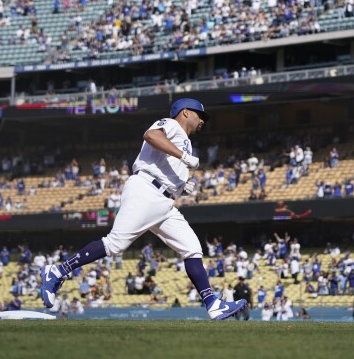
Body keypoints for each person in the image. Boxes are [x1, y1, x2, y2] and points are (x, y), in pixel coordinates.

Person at [40, 98, 246, 320]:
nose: (202, 120)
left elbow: (163, 163)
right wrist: (184, 158)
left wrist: (180, 186)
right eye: (200, 114)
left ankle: (212, 304)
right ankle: (59, 271)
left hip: (164, 201)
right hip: (147, 190)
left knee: (192, 248)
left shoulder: (184, 139)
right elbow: (151, 135)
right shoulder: (171, 124)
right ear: (185, 112)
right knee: (115, 244)